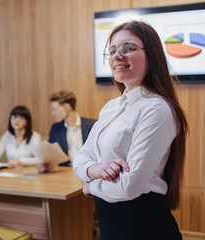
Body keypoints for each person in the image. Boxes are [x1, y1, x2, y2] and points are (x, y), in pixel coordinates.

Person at [73, 20, 188, 240]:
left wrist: (89, 186)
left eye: (128, 48)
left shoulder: (158, 109)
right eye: (113, 50)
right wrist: (94, 168)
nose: (117, 55)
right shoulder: (111, 107)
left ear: (152, 56)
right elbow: (81, 156)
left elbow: (128, 187)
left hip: (144, 228)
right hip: (110, 226)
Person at [48, 90, 96, 166]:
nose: (53, 113)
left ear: (67, 107)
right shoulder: (55, 128)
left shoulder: (92, 125)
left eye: (55, 109)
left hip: (87, 170)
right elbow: (50, 154)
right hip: (65, 171)